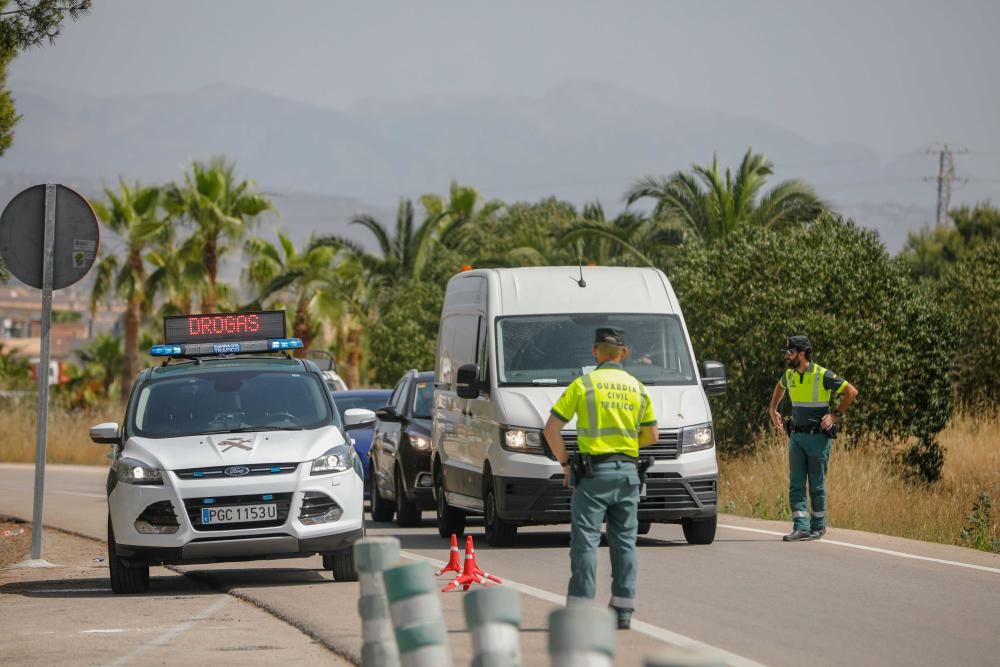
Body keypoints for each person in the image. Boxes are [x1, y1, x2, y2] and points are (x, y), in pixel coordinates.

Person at [543, 326, 658, 630]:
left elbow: (550, 430)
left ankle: (580, 610)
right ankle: (623, 610)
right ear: (624, 353)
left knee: (586, 542)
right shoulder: (637, 387)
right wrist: (627, 443)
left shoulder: (584, 385)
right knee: (625, 543)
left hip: (592, 475)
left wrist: (566, 463)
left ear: (595, 352)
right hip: (628, 474)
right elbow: (652, 435)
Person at [769, 335, 858, 541]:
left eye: (790, 352)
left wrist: (835, 415)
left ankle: (818, 527)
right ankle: (801, 527)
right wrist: (773, 410)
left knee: (816, 484)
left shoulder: (822, 374)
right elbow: (779, 387)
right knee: (796, 484)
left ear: (802, 353)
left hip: (818, 439)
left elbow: (851, 392)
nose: (787, 356)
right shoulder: (790, 375)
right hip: (797, 438)